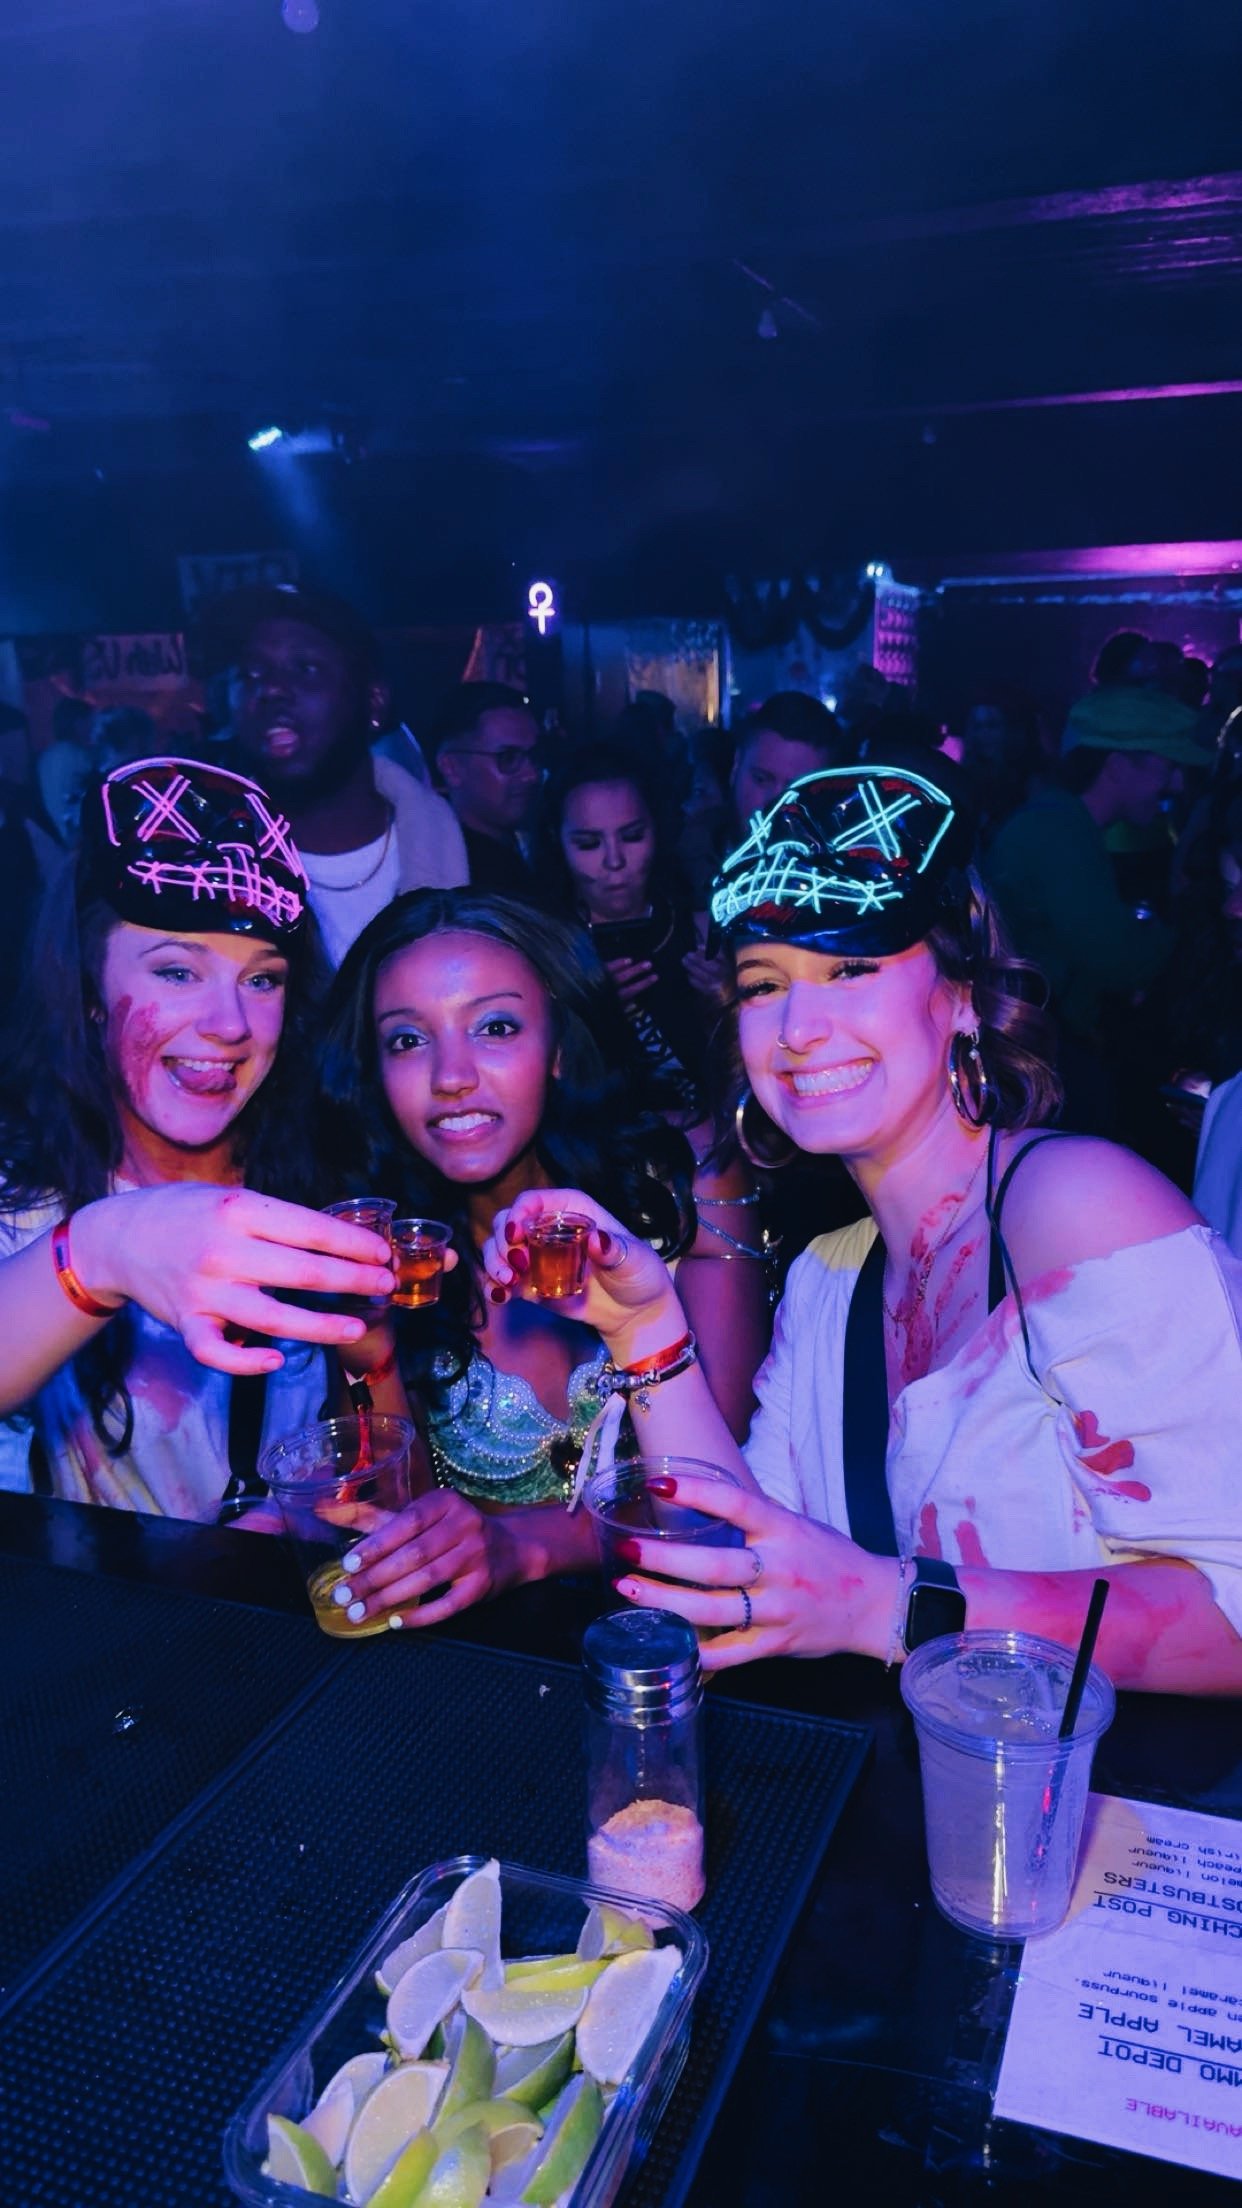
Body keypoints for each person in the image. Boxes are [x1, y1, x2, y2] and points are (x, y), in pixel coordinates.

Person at [449, 762, 1242, 1696]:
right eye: (762, 984)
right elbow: (740, 1564)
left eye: (851, 969)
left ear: (961, 993)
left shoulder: (1074, 1209)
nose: (798, 1027)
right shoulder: (830, 1276)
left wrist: (889, 1607)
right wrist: (645, 1327)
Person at [310, 887, 767, 1629]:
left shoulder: (683, 1182)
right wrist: (372, 1351)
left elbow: (726, 1491)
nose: (451, 1076)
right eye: (407, 1040)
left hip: (695, 1649)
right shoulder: (387, 1248)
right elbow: (398, 1541)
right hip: (479, 1657)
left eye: (495, 1027)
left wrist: (520, 1546)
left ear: (557, 1047)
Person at [0, 756, 398, 1514]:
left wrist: (310, 1515)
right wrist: (102, 1247)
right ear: (89, 989)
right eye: (178, 972)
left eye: (263, 978)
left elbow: (374, 1480)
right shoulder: (20, 1195)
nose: (230, 1025)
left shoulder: (323, 1181)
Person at [982, 685, 1205, 1131]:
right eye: (1168, 767)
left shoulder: (1061, 820)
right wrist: (1182, 922)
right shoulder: (1059, 831)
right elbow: (1119, 960)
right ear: (1118, 765)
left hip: (1040, 1046)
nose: (1177, 784)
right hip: (1043, 1056)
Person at [223, 585, 467, 965]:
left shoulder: (479, 866)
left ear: (373, 703)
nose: (270, 689)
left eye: (304, 669)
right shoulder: (203, 873)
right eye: (251, 674)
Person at [539, 743, 719, 1122]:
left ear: (658, 830)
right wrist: (585, 1018)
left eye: (633, 836)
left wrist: (730, 1003)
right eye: (588, 844)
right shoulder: (541, 947)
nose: (614, 860)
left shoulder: (702, 930)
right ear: (557, 840)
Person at [424, 683, 546, 903]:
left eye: (535, 755)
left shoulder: (536, 844)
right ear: (451, 768)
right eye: (508, 758)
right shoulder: (452, 877)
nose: (531, 775)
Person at [729, 692, 847, 842]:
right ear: (736, 767)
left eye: (798, 791)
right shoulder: (699, 849)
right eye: (761, 780)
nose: (777, 806)